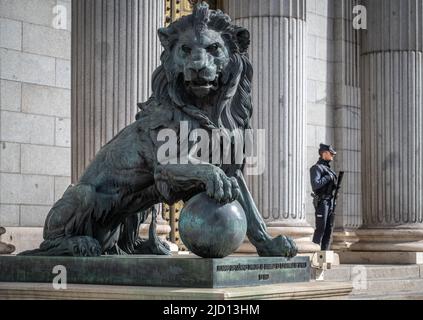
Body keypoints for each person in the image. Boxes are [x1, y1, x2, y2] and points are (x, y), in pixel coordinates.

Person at [310, 143, 338, 250]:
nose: (332, 156)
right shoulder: (316, 168)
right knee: (320, 229)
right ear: (324, 153)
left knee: (328, 229)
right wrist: (327, 177)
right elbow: (315, 185)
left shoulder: (328, 169)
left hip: (330, 202)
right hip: (322, 202)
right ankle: (314, 253)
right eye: (331, 153)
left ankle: (324, 255)